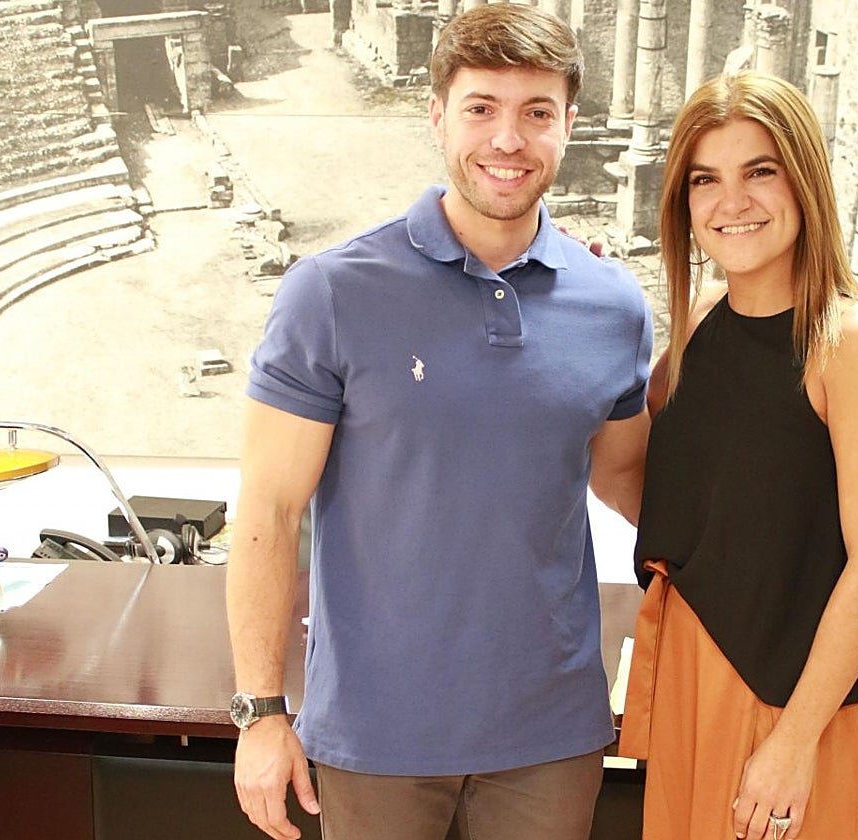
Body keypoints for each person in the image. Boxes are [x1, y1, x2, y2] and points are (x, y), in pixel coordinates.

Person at [226, 5, 652, 840]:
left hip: (551, 734)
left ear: (570, 123)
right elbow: (268, 512)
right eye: (481, 108)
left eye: (536, 113)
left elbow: (631, 480)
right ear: (437, 115)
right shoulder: (333, 292)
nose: (508, 140)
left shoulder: (615, 306)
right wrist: (260, 712)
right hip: (376, 733)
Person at [618, 71, 858, 840]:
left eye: (760, 171)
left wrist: (792, 742)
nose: (732, 202)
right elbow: (672, 490)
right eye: (705, 180)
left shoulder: (854, 344)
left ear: (803, 181)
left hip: (799, 698)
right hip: (694, 678)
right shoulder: (692, 340)